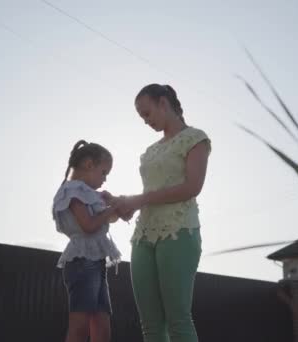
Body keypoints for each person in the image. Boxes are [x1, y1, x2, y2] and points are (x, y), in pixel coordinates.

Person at [118, 84, 211, 342]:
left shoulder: (195, 138)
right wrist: (122, 203)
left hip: (179, 232)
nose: (145, 121)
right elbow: (148, 192)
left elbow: (192, 187)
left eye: (147, 113)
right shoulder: (150, 151)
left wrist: (141, 199)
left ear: (163, 103)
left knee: (178, 319)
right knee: (150, 323)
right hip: (143, 236)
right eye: (141, 117)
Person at [52, 140, 122, 342]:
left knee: (102, 325)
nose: (105, 178)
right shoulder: (72, 191)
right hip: (82, 263)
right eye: (104, 172)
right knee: (80, 326)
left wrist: (111, 203)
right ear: (89, 165)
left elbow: (110, 218)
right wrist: (111, 209)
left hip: (96, 263)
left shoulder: (89, 194)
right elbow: (89, 225)